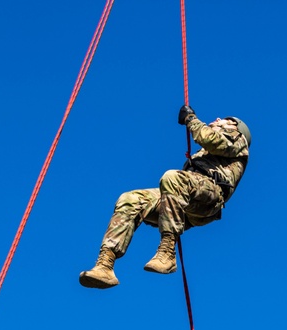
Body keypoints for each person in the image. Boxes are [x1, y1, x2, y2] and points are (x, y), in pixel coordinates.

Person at [78, 105, 250, 289]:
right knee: (131, 199)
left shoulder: (238, 140)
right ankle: (106, 264)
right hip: (187, 197)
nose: (216, 119)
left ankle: (167, 252)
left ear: (234, 126)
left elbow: (209, 139)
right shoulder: (207, 153)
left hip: (210, 196)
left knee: (172, 177)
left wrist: (191, 119)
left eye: (222, 119)